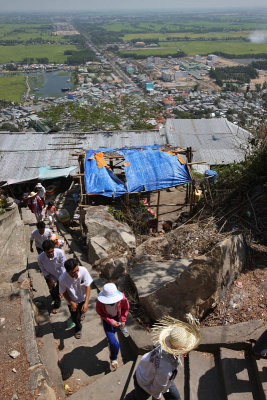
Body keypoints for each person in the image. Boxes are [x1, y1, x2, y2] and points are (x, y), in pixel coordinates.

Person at [128, 315, 201, 400]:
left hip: (148, 371)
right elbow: (158, 386)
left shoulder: (166, 343)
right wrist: (157, 396)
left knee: (174, 397)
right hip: (144, 382)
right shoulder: (166, 367)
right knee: (139, 397)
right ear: (180, 349)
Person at [96, 283, 129, 371]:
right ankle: (113, 358)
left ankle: (112, 337)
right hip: (107, 321)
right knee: (114, 343)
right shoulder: (100, 302)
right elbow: (100, 313)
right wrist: (110, 321)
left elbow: (125, 308)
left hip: (118, 318)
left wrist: (122, 319)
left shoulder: (122, 298)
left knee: (114, 331)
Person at [59, 258, 93, 339]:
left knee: (81, 310)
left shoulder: (83, 270)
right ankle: (78, 327)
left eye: (77, 270)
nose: (76, 273)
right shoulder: (62, 279)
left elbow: (88, 286)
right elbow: (63, 292)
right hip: (72, 300)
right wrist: (71, 302)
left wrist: (86, 303)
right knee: (75, 318)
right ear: (67, 271)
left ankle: (80, 315)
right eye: (73, 272)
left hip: (83, 297)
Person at [38, 239, 66, 314]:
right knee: (53, 291)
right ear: (44, 251)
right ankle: (57, 304)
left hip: (61, 274)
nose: (51, 254)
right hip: (50, 275)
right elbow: (43, 269)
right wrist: (49, 280)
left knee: (60, 287)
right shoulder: (40, 258)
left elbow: (63, 266)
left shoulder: (60, 253)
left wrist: (62, 279)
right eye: (48, 252)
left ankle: (61, 292)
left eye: (52, 251)